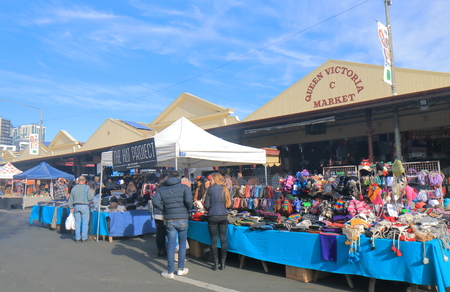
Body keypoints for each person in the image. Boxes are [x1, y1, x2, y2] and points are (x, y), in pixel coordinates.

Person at [153, 170, 193, 279]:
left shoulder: (161, 189)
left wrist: (165, 209)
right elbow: (189, 201)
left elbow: (155, 202)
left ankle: (170, 271)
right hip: (182, 217)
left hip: (170, 218)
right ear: (179, 177)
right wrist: (186, 208)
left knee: (171, 245)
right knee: (182, 243)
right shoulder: (184, 188)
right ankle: (181, 268)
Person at [204, 172, 232, 271]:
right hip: (223, 215)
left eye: (211, 179)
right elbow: (229, 204)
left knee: (214, 240)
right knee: (223, 239)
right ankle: (223, 263)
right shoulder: (225, 189)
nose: (210, 181)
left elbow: (206, 206)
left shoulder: (210, 190)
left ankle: (215, 263)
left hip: (212, 215)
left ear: (215, 179)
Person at [68, 176, 95, 243]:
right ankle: (84, 237)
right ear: (84, 181)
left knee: (77, 222)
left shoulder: (74, 188)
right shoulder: (86, 187)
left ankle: (77, 237)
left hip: (76, 206)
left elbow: (70, 199)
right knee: (85, 222)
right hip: (84, 205)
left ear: (78, 181)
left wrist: (71, 207)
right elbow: (91, 197)